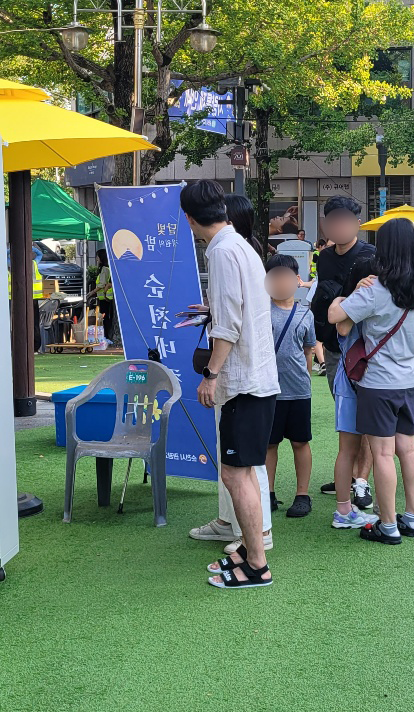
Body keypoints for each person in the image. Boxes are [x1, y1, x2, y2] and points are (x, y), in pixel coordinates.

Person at [179, 181, 279, 589]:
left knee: (236, 475)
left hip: (242, 381)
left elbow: (229, 325)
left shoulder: (221, 251)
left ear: (189, 219)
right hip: (258, 377)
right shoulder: (242, 245)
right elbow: (241, 309)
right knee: (242, 472)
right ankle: (249, 551)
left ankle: (257, 565)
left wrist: (211, 374)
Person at [328, 218, 414, 544]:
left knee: (382, 454)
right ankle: (413, 518)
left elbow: (336, 317)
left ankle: (388, 525)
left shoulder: (374, 289)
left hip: (378, 383)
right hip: (409, 380)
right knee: (408, 449)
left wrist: (338, 299)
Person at [308, 195, 378, 510]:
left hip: (364, 350)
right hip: (335, 347)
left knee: (366, 417)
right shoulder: (323, 257)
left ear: (357, 224)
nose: (338, 226)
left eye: (344, 220)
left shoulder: (370, 255)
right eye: (332, 220)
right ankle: (349, 476)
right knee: (346, 415)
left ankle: (362, 480)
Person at [263, 254, 318, 518]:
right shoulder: (261, 311)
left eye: (285, 277)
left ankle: (302, 495)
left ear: (297, 280)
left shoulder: (306, 313)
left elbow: (308, 349)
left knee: (300, 442)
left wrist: (306, 379)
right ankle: (267, 494)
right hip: (268, 390)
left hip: (298, 391)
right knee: (269, 444)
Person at [92, 248, 118, 345]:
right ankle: (106, 336)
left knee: (105, 318)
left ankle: (107, 336)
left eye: (97, 256)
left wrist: (92, 292)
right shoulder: (105, 269)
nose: (96, 259)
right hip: (104, 297)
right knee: (105, 318)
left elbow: (102, 284)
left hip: (105, 298)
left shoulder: (105, 269)